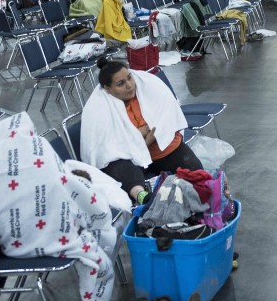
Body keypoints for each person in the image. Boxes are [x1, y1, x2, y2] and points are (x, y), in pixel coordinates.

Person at [80, 58, 204, 204]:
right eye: (120, 84)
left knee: (199, 175)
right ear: (108, 88)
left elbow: (165, 119)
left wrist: (139, 135)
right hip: (130, 160)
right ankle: (142, 196)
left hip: (163, 151)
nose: (129, 85)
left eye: (129, 78)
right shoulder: (100, 109)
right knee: (117, 166)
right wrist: (142, 140)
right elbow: (109, 147)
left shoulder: (149, 88)